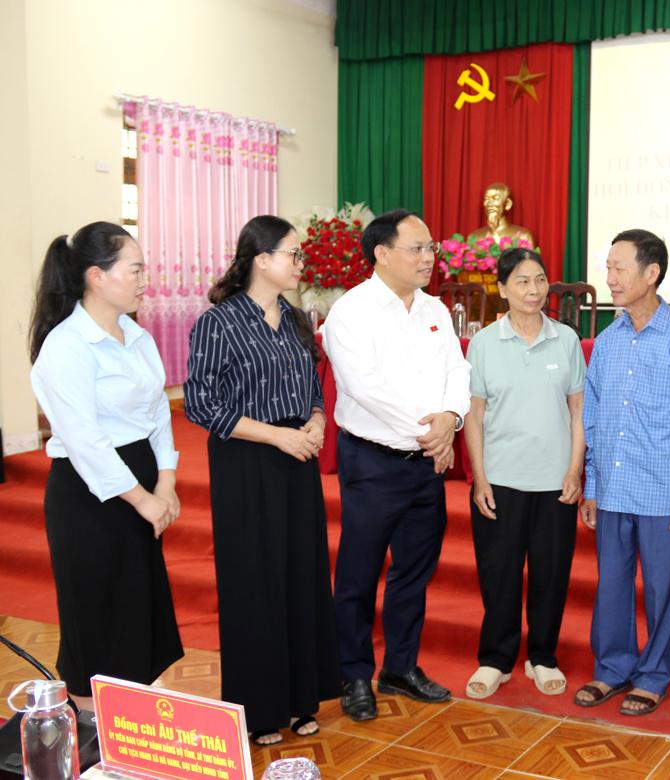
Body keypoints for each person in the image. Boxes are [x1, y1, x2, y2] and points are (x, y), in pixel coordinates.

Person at [183, 215, 339, 746]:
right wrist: (276, 436)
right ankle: (259, 708)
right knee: (255, 581)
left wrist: (315, 420)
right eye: (293, 254)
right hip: (247, 461)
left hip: (297, 458)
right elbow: (201, 404)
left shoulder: (295, 318)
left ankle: (301, 698)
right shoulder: (219, 322)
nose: (301, 263)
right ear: (262, 259)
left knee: (301, 575)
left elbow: (313, 385)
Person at [322, 209, 470, 720]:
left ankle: (400, 668)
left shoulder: (434, 308)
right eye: (417, 248)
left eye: (431, 248)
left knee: (414, 572)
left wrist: (451, 417)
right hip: (374, 461)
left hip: (425, 463)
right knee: (359, 574)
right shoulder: (351, 311)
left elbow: (458, 369)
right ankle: (353, 674)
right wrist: (434, 433)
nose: (429, 258)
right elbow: (365, 388)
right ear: (381, 253)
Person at [29, 221, 183, 710]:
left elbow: (158, 411)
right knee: (95, 614)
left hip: (140, 482)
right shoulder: (66, 345)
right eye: (135, 270)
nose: (144, 281)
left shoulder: (136, 335)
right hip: (90, 496)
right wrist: (142, 500)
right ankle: (91, 721)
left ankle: (133, 718)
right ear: (97, 276)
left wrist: (166, 482)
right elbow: (85, 440)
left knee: (137, 608)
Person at [574, 228, 670, 716]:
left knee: (663, 592)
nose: (610, 278)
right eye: (608, 268)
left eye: (619, 268)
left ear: (651, 273)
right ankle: (612, 668)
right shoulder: (608, 341)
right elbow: (594, 419)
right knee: (612, 587)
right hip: (614, 487)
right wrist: (593, 485)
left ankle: (653, 676)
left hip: (664, 492)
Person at [462, 247, 585, 699]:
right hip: (501, 479)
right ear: (502, 288)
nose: (534, 290)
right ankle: (496, 659)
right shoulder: (483, 343)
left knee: (551, 574)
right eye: (522, 281)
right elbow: (474, 416)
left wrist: (574, 469)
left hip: (555, 482)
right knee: (500, 573)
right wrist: (480, 477)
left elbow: (579, 412)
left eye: (539, 280)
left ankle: (542, 656)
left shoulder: (565, 340)